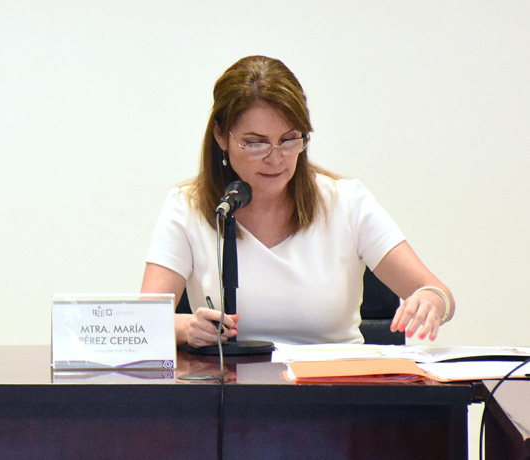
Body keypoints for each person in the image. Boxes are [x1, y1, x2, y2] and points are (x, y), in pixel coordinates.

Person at [140, 55, 454, 348]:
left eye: (289, 140)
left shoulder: (346, 202)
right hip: (234, 385)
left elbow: (439, 294)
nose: (275, 158)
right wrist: (186, 328)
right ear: (221, 136)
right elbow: (145, 322)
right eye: (255, 143)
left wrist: (430, 301)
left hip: (334, 384)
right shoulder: (187, 206)